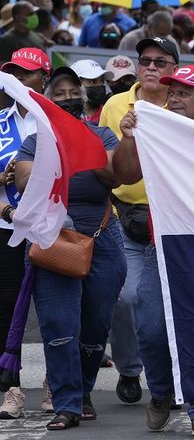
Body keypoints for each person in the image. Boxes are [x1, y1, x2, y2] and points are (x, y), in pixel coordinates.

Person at [111, 62, 194, 439]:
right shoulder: (156, 130)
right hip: (162, 247)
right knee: (153, 330)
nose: (174, 99)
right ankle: (161, 393)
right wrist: (129, 137)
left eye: (183, 93)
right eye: (172, 92)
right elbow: (126, 176)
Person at [12, 66, 126, 431]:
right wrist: (56, 151)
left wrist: (84, 146)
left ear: (85, 96)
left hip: (101, 238)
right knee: (59, 326)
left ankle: (84, 389)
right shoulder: (34, 143)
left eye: (72, 92)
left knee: (94, 329)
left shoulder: (103, 135)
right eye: (57, 94)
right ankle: (66, 403)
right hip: (52, 239)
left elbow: (113, 175)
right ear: (46, 101)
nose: (66, 99)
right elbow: (27, 182)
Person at [99, 37, 178, 412]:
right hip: (127, 217)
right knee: (125, 298)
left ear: (174, 69)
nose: (151, 67)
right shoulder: (115, 105)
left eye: (160, 62)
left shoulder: (183, 103)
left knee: (170, 306)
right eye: (145, 60)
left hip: (175, 221)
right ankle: (130, 369)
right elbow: (107, 163)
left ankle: (175, 377)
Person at [0, 48, 50, 420]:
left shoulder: (56, 120)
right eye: (13, 71)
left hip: (50, 228)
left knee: (54, 310)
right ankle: (9, 385)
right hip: (6, 225)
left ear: (43, 80)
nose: (18, 78)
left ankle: (57, 383)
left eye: (27, 72)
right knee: (6, 309)